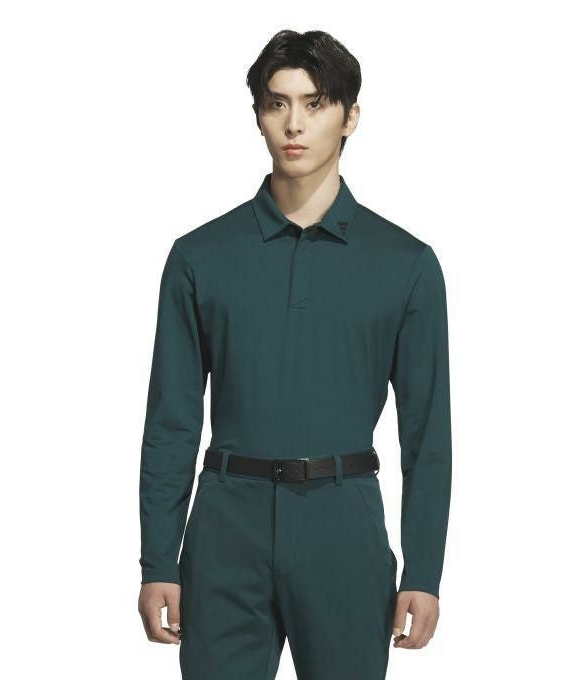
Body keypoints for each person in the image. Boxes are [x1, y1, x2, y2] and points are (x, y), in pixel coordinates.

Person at [137, 29, 452, 680]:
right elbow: (171, 421)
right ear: (257, 114)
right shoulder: (200, 257)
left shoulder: (405, 264)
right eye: (277, 103)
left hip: (344, 524)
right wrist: (158, 560)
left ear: (350, 116)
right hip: (227, 525)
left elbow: (427, 435)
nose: (294, 124)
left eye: (315, 103)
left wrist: (424, 570)